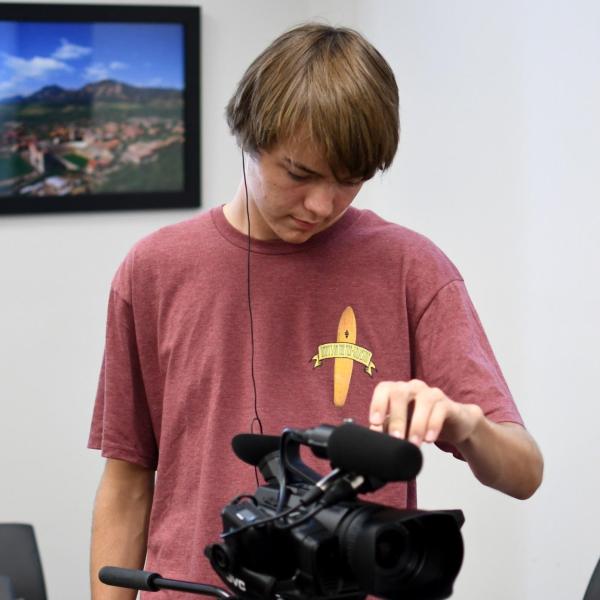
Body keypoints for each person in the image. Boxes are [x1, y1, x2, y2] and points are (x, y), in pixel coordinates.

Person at [88, 23, 543, 599]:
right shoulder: (153, 270)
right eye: (298, 174)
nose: (322, 205)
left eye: (350, 181)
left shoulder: (411, 268)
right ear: (248, 134)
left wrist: (468, 424)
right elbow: (128, 479)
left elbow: (525, 473)